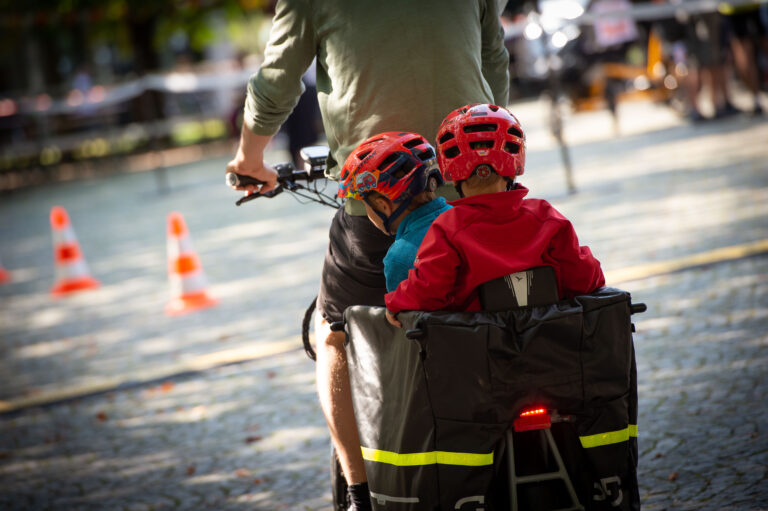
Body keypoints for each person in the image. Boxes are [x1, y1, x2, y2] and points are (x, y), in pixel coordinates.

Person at [223, 2, 510, 508]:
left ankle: (360, 493)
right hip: (474, 186)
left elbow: (277, 80)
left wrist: (250, 158)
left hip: (380, 200)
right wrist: (484, 158)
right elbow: (493, 60)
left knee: (334, 332)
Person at [385, 104, 605, 324]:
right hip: (550, 338)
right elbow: (587, 279)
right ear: (515, 163)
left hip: (481, 343)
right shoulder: (545, 215)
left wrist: (395, 302)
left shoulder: (447, 228)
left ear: (450, 170)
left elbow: (428, 292)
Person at [337, 132, 453, 292]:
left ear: (383, 205)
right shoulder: (462, 215)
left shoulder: (399, 259)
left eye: (365, 205)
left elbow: (404, 308)